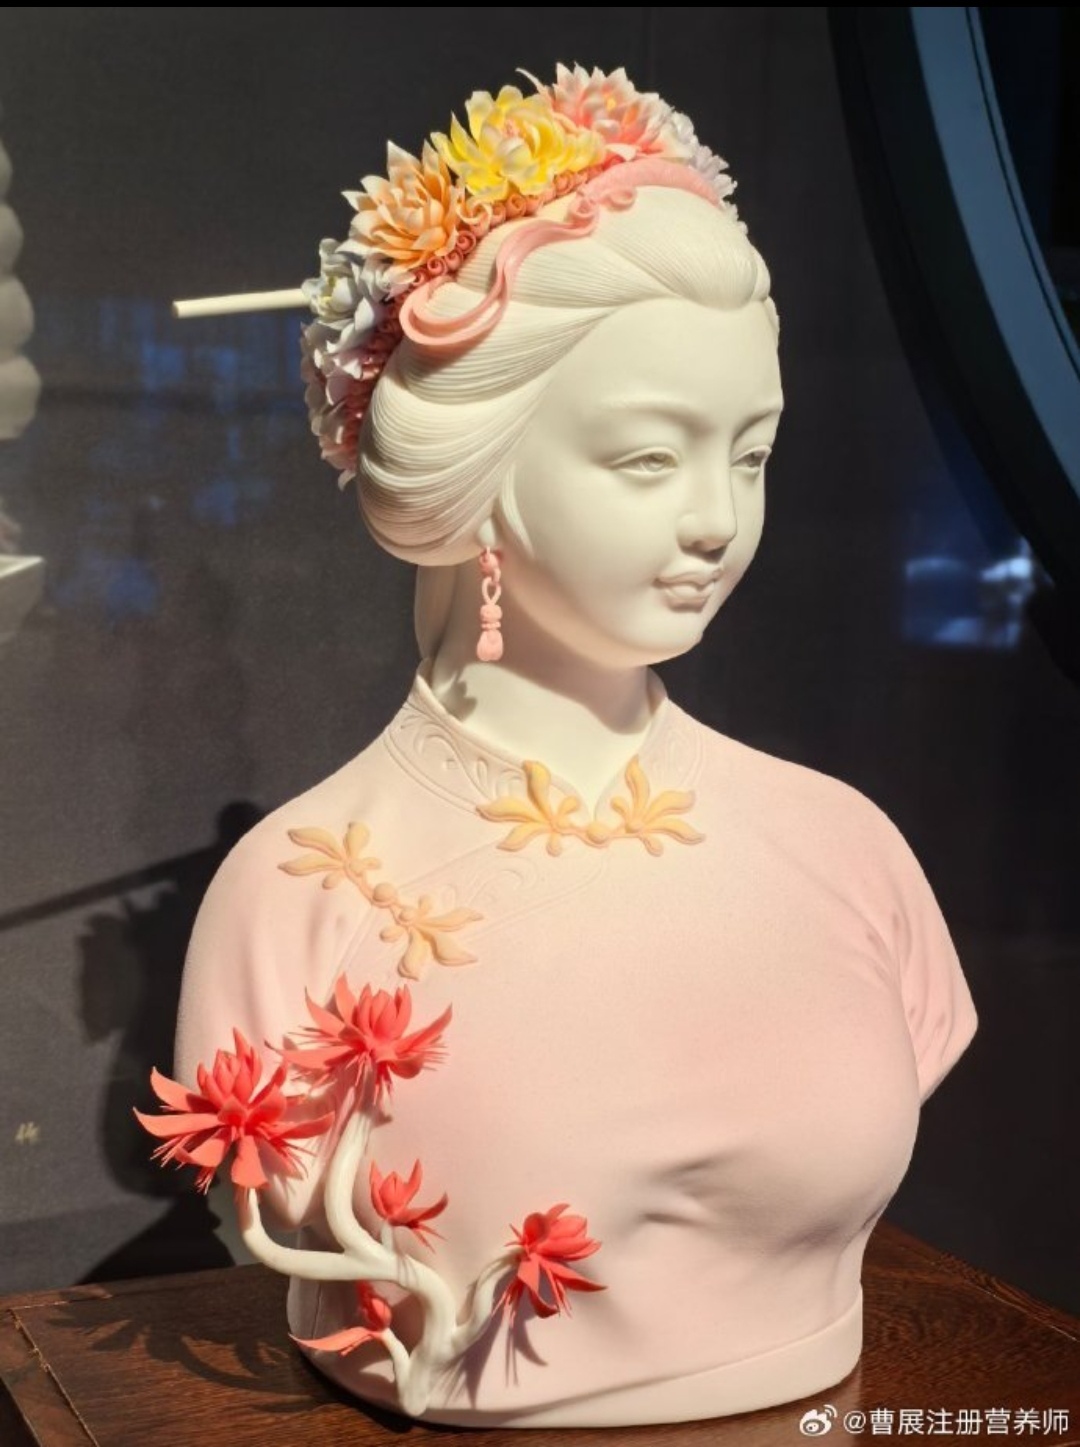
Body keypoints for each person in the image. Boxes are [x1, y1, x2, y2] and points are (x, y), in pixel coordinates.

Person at [168, 66, 977, 1427]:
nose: (717, 520)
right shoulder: (295, 896)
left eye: (751, 456)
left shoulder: (846, 848)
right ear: (475, 473)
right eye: (649, 460)